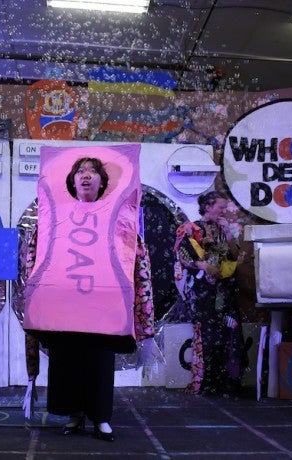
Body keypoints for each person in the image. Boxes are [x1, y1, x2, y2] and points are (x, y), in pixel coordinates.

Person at [22, 157, 155, 442]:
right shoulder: (54, 218)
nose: (86, 176)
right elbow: (36, 255)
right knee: (67, 360)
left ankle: (101, 418)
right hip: (65, 306)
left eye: (92, 172)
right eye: (80, 172)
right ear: (71, 181)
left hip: (102, 307)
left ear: (102, 182)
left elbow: (134, 255)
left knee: (99, 361)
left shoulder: (118, 218)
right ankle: (74, 415)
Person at [173, 190, 246, 396]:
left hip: (224, 288)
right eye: (220, 207)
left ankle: (228, 380)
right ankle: (208, 380)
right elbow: (182, 253)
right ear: (207, 207)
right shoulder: (191, 228)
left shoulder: (224, 229)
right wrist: (203, 265)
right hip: (203, 290)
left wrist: (229, 234)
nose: (224, 211)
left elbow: (234, 255)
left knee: (228, 333)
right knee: (207, 333)